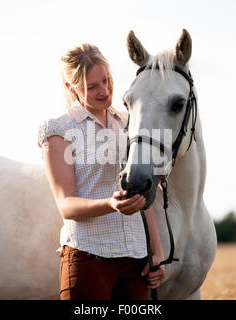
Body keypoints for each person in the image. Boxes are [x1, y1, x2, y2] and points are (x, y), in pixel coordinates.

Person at [37, 43, 165, 300]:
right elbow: (66, 205)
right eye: (92, 86)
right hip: (88, 259)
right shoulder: (58, 130)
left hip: (136, 262)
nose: (105, 91)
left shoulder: (129, 124)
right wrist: (110, 204)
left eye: (107, 80)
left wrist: (157, 252)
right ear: (70, 88)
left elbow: (144, 192)